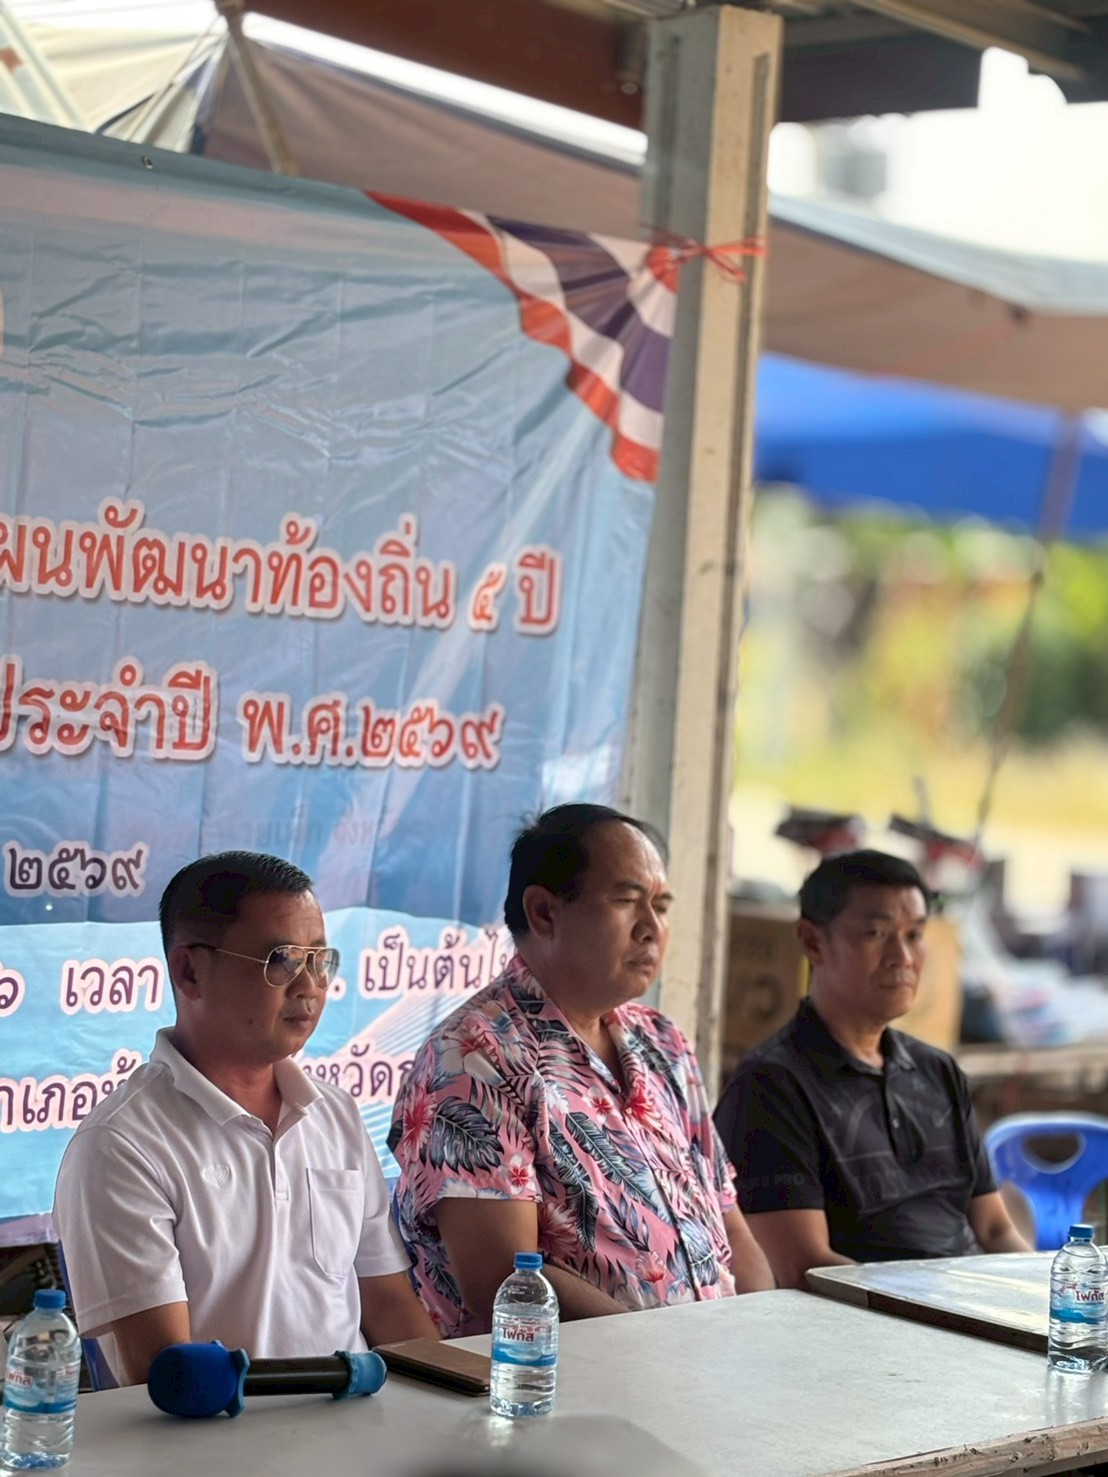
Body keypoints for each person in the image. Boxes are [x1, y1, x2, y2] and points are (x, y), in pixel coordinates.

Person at [388, 803, 773, 1337]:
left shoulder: (662, 1042)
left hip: (704, 1365)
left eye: (661, 906)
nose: (652, 929)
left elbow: (730, 1225)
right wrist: (666, 1354)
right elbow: (504, 1281)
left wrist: (763, 1335)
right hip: (566, 1377)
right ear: (544, 912)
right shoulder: (474, 1056)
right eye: (626, 901)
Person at [54, 851, 437, 1385]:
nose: (309, 985)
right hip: (219, 1432)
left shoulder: (335, 1115)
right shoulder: (122, 1144)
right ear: (189, 972)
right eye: (282, 960)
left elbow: (389, 1304)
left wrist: (454, 1401)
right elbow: (166, 1374)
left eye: (320, 961)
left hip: (358, 1421)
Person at [714, 849, 1029, 1288]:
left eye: (915, 934)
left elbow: (994, 1230)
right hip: (866, 1318)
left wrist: (1041, 1294)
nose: (902, 956)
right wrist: (949, 1307)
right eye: (877, 933)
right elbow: (805, 1267)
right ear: (813, 942)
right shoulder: (771, 1086)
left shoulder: (938, 1071)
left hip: (964, 1303)